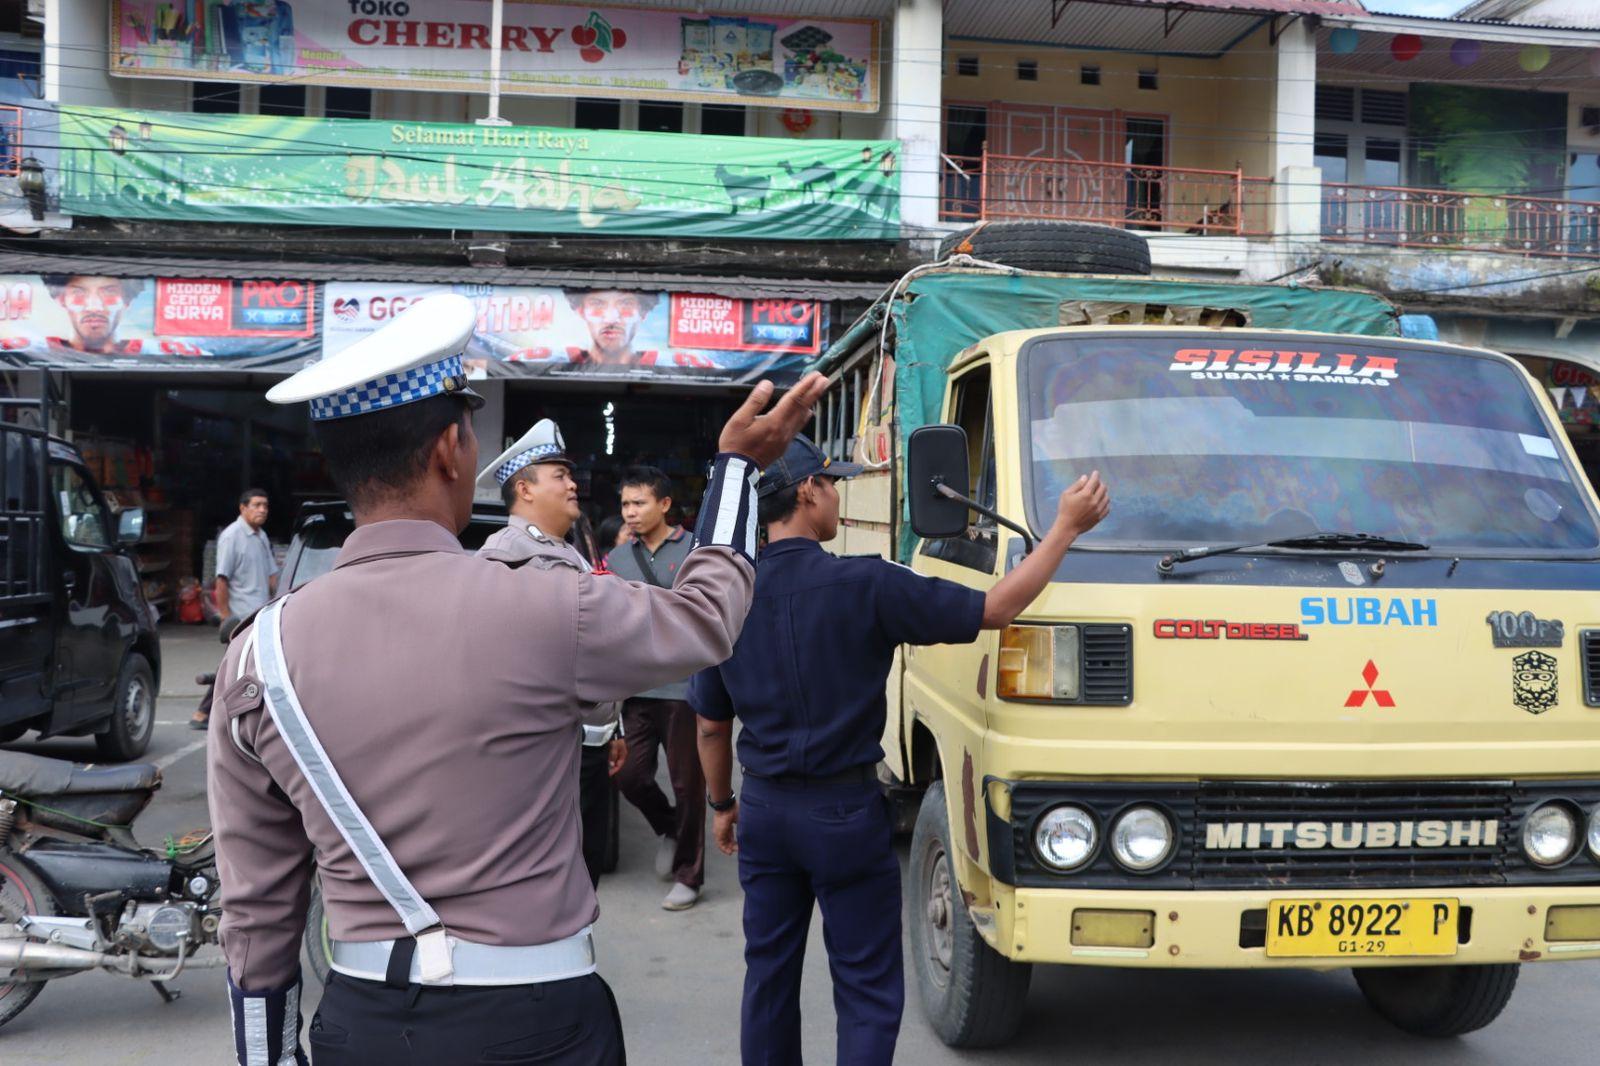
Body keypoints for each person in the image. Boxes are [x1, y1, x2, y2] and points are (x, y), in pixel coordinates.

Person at [206, 293, 827, 1065]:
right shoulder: (544, 602)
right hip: (538, 1024)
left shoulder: (257, 654)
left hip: (360, 1023)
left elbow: (258, 916)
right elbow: (706, 618)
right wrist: (736, 472)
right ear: (448, 451)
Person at [689, 434, 1110, 1066]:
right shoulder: (867, 582)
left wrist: (723, 805)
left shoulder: (729, 596)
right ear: (808, 492)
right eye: (831, 483)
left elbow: (711, 728)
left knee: (768, 976)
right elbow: (997, 607)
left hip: (768, 811)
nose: (836, 494)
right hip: (846, 813)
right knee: (864, 987)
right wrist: (1064, 530)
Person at [475, 419, 625, 888]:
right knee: (558, 882)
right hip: (547, 749)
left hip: (588, 745)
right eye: (559, 475)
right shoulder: (507, 558)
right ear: (525, 488)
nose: (572, 483)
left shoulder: (568, 554)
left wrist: (612, 727)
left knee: (587, 867)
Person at [604, 466, 706, 911]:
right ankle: (668, 827)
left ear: (664, 504)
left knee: (688, 784)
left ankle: (689, 874)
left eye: (639, 503)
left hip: (686, 688)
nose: (630, 512)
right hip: (637, 687)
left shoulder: (694, 550)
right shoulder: (618, 558)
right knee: (630, 776)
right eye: (625, 504)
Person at [192, 488, 278, 730]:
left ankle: (214, 712)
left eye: (265, 506)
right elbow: (221, 580)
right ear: (243, 508)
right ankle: (204, 712)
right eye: (257, 505)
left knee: (240, 664)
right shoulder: (232, 536)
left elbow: (273, 576)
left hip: (260, 614)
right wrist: (226, 617)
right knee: (234, 664)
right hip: (240, 615)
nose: (262, 510)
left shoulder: (260, 536)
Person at [42, 274, 146, 354]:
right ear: (61, 300)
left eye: (109, 292)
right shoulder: (38, 350)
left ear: (127, 300)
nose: (94, 308)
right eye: (78, 292)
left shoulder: (152, 352)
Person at [565, 289, 660, 367]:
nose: (611, 319)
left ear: (643, 313)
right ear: (581, 311)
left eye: (626, 304)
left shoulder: (664, 366)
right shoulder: (561, 363)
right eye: (597, 304)